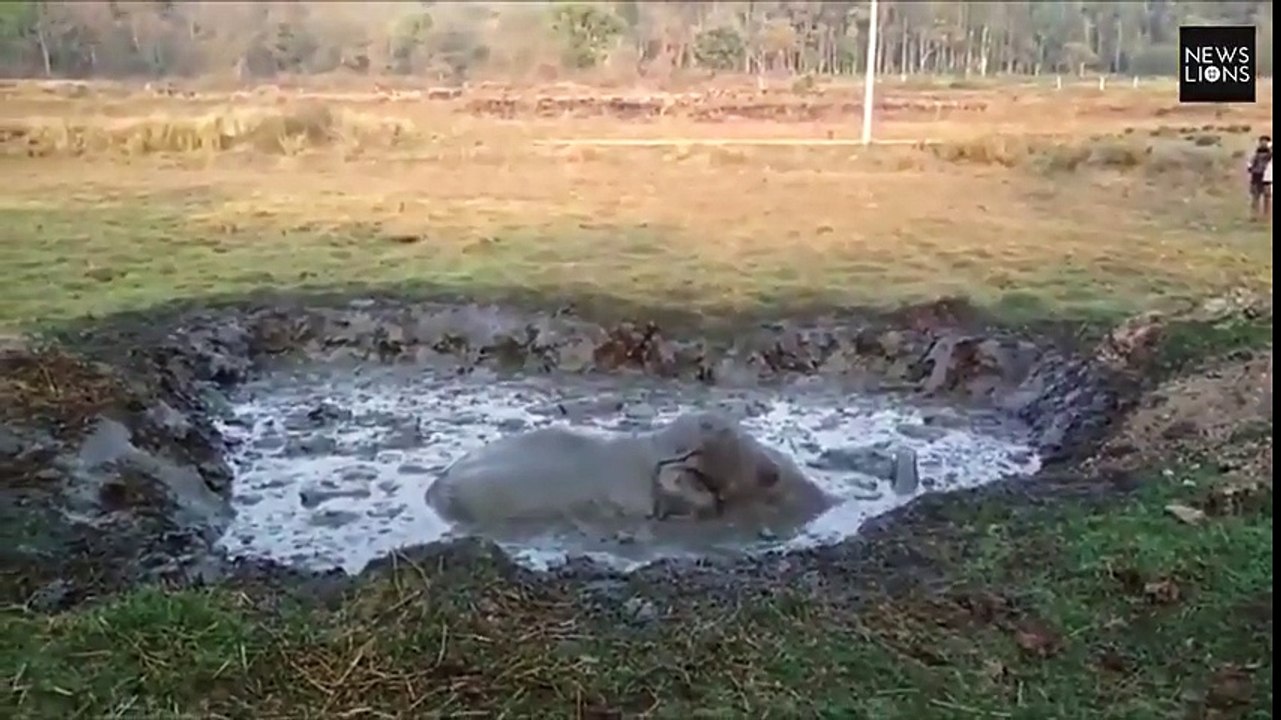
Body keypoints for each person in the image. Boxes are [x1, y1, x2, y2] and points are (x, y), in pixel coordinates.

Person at [1247, 135, 1272, 221]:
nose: (1264, 143)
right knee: (1256, 197)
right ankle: (1254, 215)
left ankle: (1266, 216)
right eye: (1262, 141)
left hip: (1267, 177)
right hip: (1257, 176)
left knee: (1266, 197)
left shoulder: (1270, 153)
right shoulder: (1255, 153)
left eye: (1266, 142)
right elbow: (1250, 164)